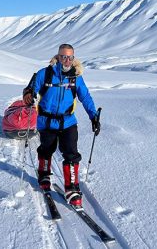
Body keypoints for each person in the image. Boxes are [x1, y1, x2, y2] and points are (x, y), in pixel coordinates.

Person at [23, 43, 100, 207]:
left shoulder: (76, 78)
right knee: (46, 149)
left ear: (73, 59)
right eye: (63, 56)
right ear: (58, 57)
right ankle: (44, 174)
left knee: (71, 153)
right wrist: (29, 95)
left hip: (68, 122)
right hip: (47, 121)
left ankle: (72, 188)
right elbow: (31, 89)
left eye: (69, 57)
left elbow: (85, 97)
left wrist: (94, 116)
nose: (66, 60)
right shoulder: (46, 73)